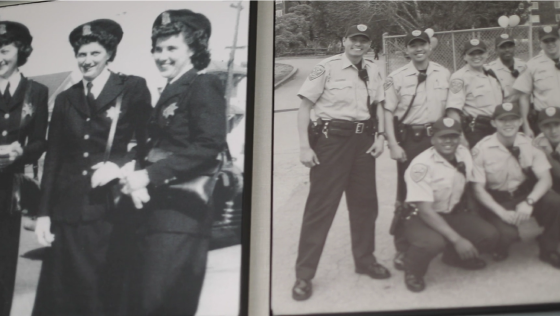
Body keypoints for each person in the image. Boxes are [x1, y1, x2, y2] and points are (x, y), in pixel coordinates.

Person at [32, 19, 152, 316]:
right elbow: (54, 159)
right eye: (81, 54)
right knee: (64, 297)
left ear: (109, 54)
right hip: (69, 213)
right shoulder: (65, 99)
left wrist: (119, 166)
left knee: (106, 293)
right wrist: (44, 214)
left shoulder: (132, 87)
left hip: (110, 210)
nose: (87, 61)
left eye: (94, 53)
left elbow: (149, 141)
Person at [117, 10, 226, 315]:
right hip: (157, 214)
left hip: (181, 215)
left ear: (194, 49)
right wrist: (130, 167)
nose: (161, 56)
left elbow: (209, 145)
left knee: (160, 304)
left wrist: (149, 175)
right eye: (157, 48)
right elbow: (155, 145)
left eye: (171, 48)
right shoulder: (170, 90)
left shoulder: (202, 85)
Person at [292, 23, 388, 301]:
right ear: (344, 40)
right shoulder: (327, 67)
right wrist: (304, 146)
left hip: (363, 142)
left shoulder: (372, 69)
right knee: (320, 208)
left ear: (369, 44)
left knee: (365, 205)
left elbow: (379, 105)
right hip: (331, 142)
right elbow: (305, 107)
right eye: (353, 39)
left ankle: (365, 260)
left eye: (364, 40)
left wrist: (380, 137)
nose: (358, 45)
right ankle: (304, 275)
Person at [402, 117, 498, 292]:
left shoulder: (463, 153)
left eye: (453, 136)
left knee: (490, 235)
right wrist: (458, 239)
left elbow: (470, 187)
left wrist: (474, 216)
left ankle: (453, 258)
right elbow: (425, 211)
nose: (448, 141)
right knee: (433, 243)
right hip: (420, 217)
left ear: (459, 137)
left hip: (452, 212)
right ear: (433, 139)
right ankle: (412, 270)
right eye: (442, 137)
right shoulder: (421, 165)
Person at [383, 29, 451, 270]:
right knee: (406, 195)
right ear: (407, 49)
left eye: (422, 44)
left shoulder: (443, 74)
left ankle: (447, 243)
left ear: (429, 46)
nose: (418, 49)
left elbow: (451, 108)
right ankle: (403, 247)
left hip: (440, 139)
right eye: (413, 45)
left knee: (443, 188)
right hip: (411, 140)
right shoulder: (397, 77)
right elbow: (387, 112)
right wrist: (392, 143)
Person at [471, 102, 560, 267]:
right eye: (502, 120)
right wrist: (502, 213)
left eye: (513, 119)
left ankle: (549, 249)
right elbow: (478, 190)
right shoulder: (481, 149)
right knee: (507, 235)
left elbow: (545, 179)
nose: (508, 124)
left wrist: (529, 201)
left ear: (520, 122)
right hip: (498, 201)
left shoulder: (529, 144)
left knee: (556, 202)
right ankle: (501, 243)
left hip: (523, 195)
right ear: (493, 123)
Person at [0, 21, 48, 316]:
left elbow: (41, 140)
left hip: (9, 193)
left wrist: (20, 152)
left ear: (20, 50)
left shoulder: (36, 92)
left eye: (3, 50)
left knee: (4, 264)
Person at [446, 39, 503, 148]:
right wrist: (461, 137)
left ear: (486, 54)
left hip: (496, 127)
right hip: (476, 130)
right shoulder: (459, 77)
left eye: (480, 52)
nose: (476, 56)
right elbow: (452, 111)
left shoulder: (491, 73)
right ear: (464, 57)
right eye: (471, 53)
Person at [512, 26, 560, 137]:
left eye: (553, 40)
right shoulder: (532, 65)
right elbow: (524, 97)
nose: (550, 44)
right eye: (546, 41)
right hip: (546, 120)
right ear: (540, 43)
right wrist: (526, 126)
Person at [487, 33, 526, 101]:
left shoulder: (523, 66)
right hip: (504, 107)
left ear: (514, 48)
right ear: (496, 50)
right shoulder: (491, 70)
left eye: (510, 46)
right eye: (502, 47)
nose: (507, 50)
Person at [533, 107, 560, 193]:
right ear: (540, 128)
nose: (553, 131)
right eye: (547, 126)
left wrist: (545, 154)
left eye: (557, 125)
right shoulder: (537, 142)